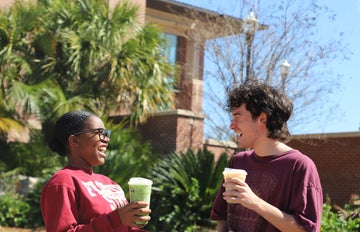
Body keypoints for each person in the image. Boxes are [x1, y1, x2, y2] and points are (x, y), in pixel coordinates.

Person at [210, 79, 323, 232]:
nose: (231, 125)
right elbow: (222, 215)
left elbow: (306, 229)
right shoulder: (238, 161)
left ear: (262, 119)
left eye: (237, 117)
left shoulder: (299, 166)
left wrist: (255, 202)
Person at [40, 110, 151, 231]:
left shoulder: (109, 183)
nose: (106, 139)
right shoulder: (62, 182)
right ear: (75, 141)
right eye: (100, 133)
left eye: (106, 133)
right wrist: (116, 219)